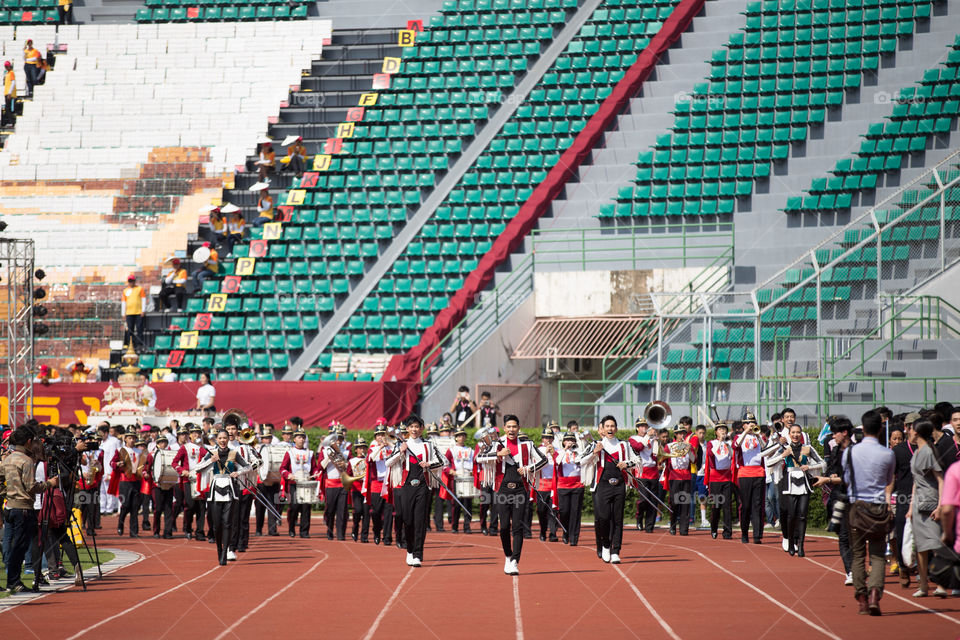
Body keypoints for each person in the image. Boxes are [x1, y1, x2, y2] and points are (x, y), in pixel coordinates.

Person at [476, 415, 547, 575]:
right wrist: (498, 455)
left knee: (517, 526)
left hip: (521, 490)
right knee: (504, 527)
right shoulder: (496, 444)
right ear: (505, 428)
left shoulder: (527, 445)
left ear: (519, 428)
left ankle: (515, 560)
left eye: (514, 427)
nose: (511, 430)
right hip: (502, 490)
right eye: (508, 427)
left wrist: (529, 468)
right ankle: (508, 555)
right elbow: (478, 458)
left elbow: (543, 460)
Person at [843, 410, 896, 616]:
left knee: (857, 554)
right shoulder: (888, 453)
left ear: (862, 429)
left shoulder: (850, 452)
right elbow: (888, 478)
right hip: (879, 506)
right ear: (881, 428)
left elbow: (847, 479)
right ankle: (875, 593)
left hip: (857, 506)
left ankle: (862, 598)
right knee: (877, 554)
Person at [1, 425, 60, 593]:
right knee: (20, 546)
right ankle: (14, 581)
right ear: (28, 442)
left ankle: (12, 580)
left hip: (10, 506)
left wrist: (7, 493)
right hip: (24, 508)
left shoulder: (8, 459)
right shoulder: (26, 461)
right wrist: (50, 483)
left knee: (11, 544)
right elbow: (31, 486)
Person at [386, 415, 445, 567]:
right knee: (408, 520)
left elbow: (443, 461)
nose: (414, 429)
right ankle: (410, 550)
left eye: (417, 426)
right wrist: (400, 451)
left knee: (420, 521)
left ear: (422, 429)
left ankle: (418, 554)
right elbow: (388, 462)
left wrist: (429, 464)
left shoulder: (429, 445)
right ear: (407, 429)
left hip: (424, 486)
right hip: (406, 486)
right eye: (411, 426)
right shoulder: (401, 444)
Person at [195, 429, 252, 565]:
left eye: (224, 438)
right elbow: (197, 468)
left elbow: (248, 466)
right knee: (216, 526)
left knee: (227, 523)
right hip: (215, 490)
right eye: (220, 438)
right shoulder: (212, 453)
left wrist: (238, 472)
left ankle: (226, 552)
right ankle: (219, 550)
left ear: (228, 439)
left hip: (230, 490)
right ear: (216, 439)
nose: (222, 440)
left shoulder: (234, 453)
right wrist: (210, 461)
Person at [766, 424, 824, 557]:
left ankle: (801, 545)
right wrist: (782, 456)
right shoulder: (785, 448)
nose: (796, 435)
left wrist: (809, 466)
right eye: (793, 432)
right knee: (791, 515)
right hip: (789, 483)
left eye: (798, 432)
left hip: (803, 483)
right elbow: (768, 462)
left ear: (801, 434)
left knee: (802, 515)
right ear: (789, 434)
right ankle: (791, 543)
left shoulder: (808, 448)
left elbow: (822, 463)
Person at [908, 418, 947, 597]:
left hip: (930, 504)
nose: (908, 432)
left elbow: (940, 480)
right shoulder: (917, 453)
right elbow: (916, 482)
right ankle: (923, 585)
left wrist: (940, 506)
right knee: (920, 547)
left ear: (917, 432)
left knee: (936, 545)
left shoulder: (929, 452)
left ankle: (940, 585)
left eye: (910, 429)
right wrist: (910, 507)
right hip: (917, 504)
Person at [734, 413, 768, 544]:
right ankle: (744, 533)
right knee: (746, 505)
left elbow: (765, 448)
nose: (751, 425)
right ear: (743, 425)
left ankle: (757, 535)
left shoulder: (760, 436)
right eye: (748, 423)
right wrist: (746, 432)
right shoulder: (739, 436)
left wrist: (758, 435)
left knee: (758, 505)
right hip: (744, 474)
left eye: (753, 423)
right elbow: (736, 445)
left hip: (759, 473)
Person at [173, 423, 209, 540]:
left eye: (198, 433)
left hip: (201, 480)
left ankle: (200, 531)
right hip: (188, 480)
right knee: (190, 505)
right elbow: (174, 462)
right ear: (190, 435)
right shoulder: (185, 448)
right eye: (194, 433)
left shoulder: (203, 448)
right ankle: (187, 528)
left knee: (201, 506)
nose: (196, 435)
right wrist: (182, 471)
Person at [280, 428, 319, 538]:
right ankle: (291, 528)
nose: (301, 440)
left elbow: (314, 468)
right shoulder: (290, 452)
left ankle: (304, 531)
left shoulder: (310, 453)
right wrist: (289, 475)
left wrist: (315, 474)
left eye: (303, 437)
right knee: (295, 506)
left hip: (306, 482)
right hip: (294, 483)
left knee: (306, 507)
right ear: (294, 439)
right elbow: (282, 468)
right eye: (299, 437)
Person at [891, 417, 916, 587]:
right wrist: (887, 498)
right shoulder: (898, 450)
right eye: (913, 426)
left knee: (924, 535)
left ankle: (922, 569)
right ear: (907, 428)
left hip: (925, 497)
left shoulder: (928, 448)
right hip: (903, 497)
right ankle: (902, 566)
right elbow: (891, 477)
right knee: (900, 532)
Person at [662, 425, 698, 536]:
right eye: (679, 433)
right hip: (674, 476)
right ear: (675, 435)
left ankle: (684, 529)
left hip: (686, 476)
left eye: (683, 433)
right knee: (674, 502)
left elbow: (693, 460)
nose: (682, 435)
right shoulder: (669, 446)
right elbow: (662, 458)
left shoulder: (689, 446)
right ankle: (673, 525)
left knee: (685, 503)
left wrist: (688, 450)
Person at [108, 428, 143, 538]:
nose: (132, 440)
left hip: (136, 480)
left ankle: (134, 531)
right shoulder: (120, 450)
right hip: (125, 481)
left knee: (135, 507)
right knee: (125, 505)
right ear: (126, 439)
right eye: (130, 438)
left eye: (133, 438)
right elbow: (112, 463)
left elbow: (143, 465)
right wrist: (118, 464)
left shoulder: (139, 452)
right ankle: (120, 524)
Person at [364, 422, 394, 545]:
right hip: (376, 483)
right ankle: (376, 530)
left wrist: (389, 444)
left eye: (383, 434)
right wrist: (380, 447)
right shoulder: (373, 448)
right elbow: (369, 458)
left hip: (388, 482)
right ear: (375, 437)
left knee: (388, 511)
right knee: (376, 511)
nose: (381, 437)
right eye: (378, 435)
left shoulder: (391, 447)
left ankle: (387, 537)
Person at [142, 436, 176, 539]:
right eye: (161, 442)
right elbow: (146, 468)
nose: (163, 444)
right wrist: (146, 474)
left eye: (165, 442)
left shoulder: (171, 454)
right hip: (157, 485)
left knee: (169, 509)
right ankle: (156, 531)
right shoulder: (152, 455)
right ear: (157, 443)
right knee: (158, 508)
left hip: (169, 484)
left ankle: (168, 531)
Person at [317, 430, 349, 541]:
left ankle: (341, 534)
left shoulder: (346, 452)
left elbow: (351, 467)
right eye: (336, 440)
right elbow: (320, 467)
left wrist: (345, 464)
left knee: (342, 510)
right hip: (330, 484)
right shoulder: (325, 451)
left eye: (340, 439)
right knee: (330, 510)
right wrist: (329, 457)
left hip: (343, 483)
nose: (338, 442)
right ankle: (329, 531)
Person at [629, 419, 660, 532]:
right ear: (637, 428)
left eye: (645, 426)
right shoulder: (633, 438)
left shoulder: (652, 438)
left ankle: (649, 526)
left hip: (653, 471)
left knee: (653, 500)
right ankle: (639, 517)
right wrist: (647, 436)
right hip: (641, 472)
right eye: (641, 426)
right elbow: (638, 447)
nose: (644, 428)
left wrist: (656, 441)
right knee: (644, 498)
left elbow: (656, 454)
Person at [705, 422, 735, 540]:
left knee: (727, 505)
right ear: (716, 432)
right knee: (716, 505)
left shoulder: (729, 444)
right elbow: (710, 454)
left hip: (727, 477)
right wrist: (721, 442)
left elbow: (733, 457)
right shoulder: (711, 443)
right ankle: (714, 528)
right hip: (715, 478)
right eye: (720, 429)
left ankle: (727, 532)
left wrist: (728, 445)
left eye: (724, 429)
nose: (722, 431)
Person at [555, 432, 584, 545]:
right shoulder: (559, 453)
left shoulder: (578, 453)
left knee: (575, 512)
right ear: (563, 442)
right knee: (564, 511)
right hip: (563, 485)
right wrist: (565, 449)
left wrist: (576, 452)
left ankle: (574, 537)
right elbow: (557, 462)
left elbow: (583, 462)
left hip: (577, 485)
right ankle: (565, 531)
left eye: (572, 440)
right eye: (567, 440)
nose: (570, 442)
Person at [445, 427, 475, 534]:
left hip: (468, 478)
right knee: (456, 504)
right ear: (455, 438)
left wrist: (473, 472)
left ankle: (467, 526)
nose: (461, 438)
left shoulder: (470, 450)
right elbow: (444, 464)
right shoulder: (451, 450)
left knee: (468, 503)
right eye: (458, 436)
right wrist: (451, 471)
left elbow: (475, 464)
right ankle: (455, 526)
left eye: (462, 435)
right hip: (456, 478)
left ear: (465, 437)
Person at [535, 427, 558, 542]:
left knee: (553, 510)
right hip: (542, 485)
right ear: (542, 439)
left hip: (553, 484)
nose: (547, 440)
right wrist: (546, 453)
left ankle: (553, 533)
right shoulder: (538, 450)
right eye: (545, 437)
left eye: (550, 437)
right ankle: (543, 531)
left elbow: (560, 465)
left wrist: (554, 454)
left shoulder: (557, 450)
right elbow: (536, 465)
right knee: (541, 510)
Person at [348, 437, 370, 542]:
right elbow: (348, 474)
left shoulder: (369, 460)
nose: (362, 450)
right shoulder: (352, 461)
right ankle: (355, 528)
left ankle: (364, 536)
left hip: (366, 489)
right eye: (359, 448)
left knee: (366, 513)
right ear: (356, 450)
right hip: (356, 489)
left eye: (363, 448)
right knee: (358, 510)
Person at [121, 274, 145, 348]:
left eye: (132, 281)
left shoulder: (140, 289)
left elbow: (143, 299)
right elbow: (123, 302)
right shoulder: (125, 291)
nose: (131, 282)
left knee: (139, 328)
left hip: (138, 312)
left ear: (134, 281)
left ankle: (139, 344)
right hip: (129, 313)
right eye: (129, 281)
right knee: (130, 329)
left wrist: (143, 310)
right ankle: (130, 344)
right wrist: (123, 313)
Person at [2, 60, 15, 127]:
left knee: (8, 108)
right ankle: (10, 122)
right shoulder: (8, 73)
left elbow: (13, 83)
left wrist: (9, 93)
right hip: (6, 92)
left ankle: (11, 122)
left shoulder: (11, 73)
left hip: (9, 93)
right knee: (7, 108)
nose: (6, 67)